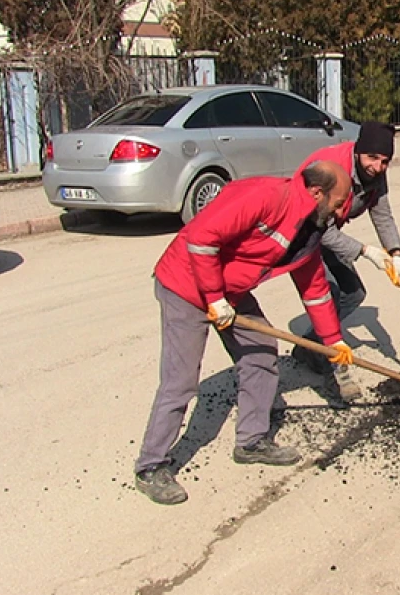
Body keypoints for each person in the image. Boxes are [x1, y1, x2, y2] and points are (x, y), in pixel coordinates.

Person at [134, 161, 355, 505]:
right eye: (340, 202)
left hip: (229, 292)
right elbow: (201, 239)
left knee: (263, 353)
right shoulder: (265, 197)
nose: (343, 211)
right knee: (180, 380)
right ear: (316, 193)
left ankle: (251, 441)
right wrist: (213, 298)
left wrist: (333, 340)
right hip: (186, 286)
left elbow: (315, 290)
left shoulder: (307, 229)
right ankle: (151, 466)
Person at [288, 122, 400, 401]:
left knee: (354, 293)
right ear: (357, 152)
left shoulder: (376, 174)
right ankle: (335, 370)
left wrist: (396, 253)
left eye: (385, 161)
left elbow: (382, 212)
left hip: (327, 230)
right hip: (302, 231)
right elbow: (320, 227)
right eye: (372, 158)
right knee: (330, 293)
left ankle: (310, 346)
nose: (377, 167)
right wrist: (366, 251)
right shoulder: (330, 169)